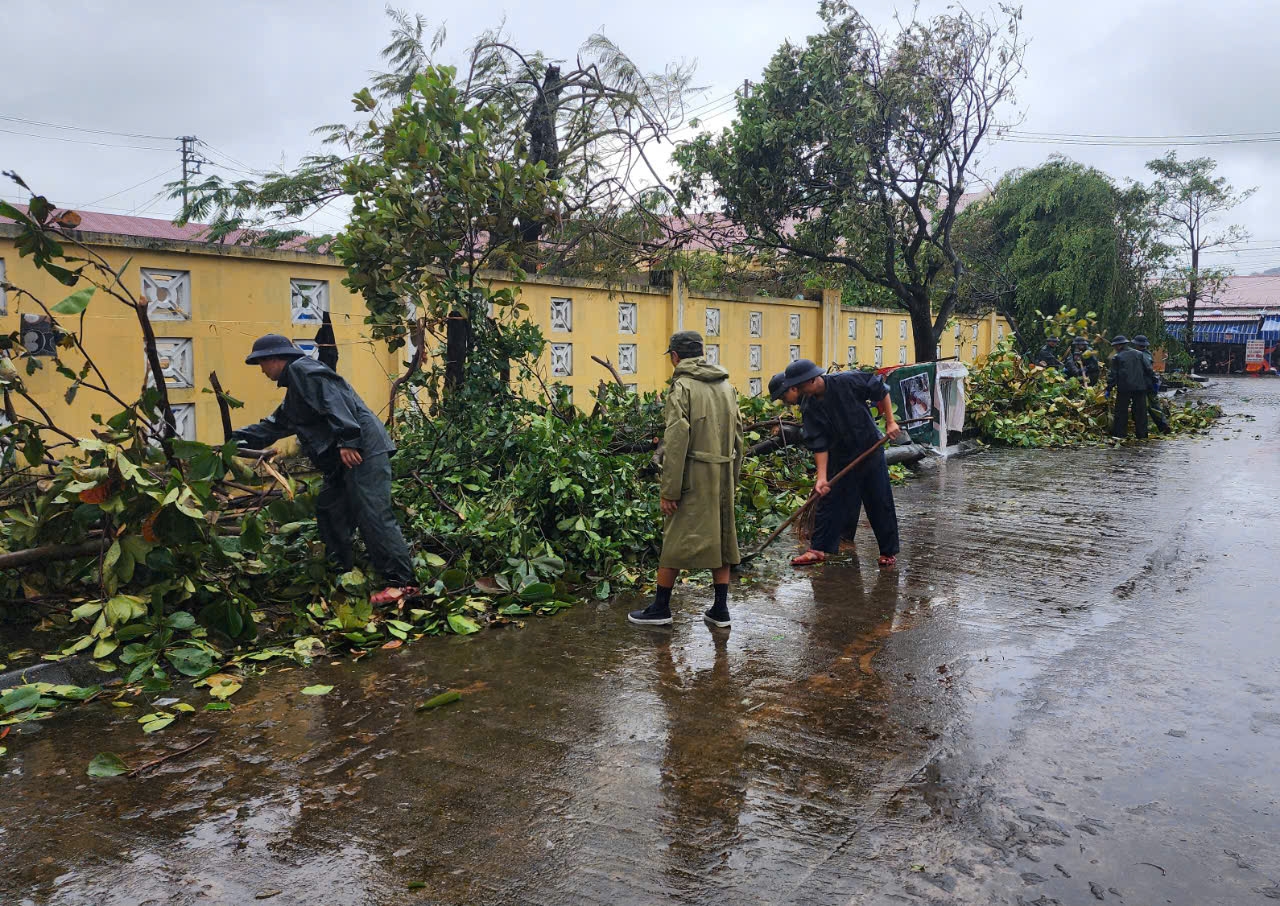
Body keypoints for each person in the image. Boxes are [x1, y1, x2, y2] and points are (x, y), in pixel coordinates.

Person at [232, 334, 417, 605]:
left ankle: (403, 584)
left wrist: (348, 440)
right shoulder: (296, 392)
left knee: (373, 513)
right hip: (343, 460)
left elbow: (334, 399)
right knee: (330, 510)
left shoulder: (302, 370)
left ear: (274, 359)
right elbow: (274, 426)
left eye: (261, 363)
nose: (261, 370)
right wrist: (231, 440)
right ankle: (341, 572)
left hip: (361, 451)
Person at [629, 331, 744, 628]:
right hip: (722, 474)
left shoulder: (682, 387)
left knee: (675, 539)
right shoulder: (726, 386)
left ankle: (661, 607)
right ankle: (720, 610)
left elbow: (677, 441)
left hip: (693, 474)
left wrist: (670, 490)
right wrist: (733, 478)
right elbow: (739, 439)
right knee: (722, 540)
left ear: (675, 357)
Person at [777, 359, 903, 569]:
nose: (797, 391)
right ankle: (817, 549)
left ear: (811, 380)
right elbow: (819, 443)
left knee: (879, 500)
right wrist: (822, 477)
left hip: (869, 449)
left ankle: (887, 552)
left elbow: (880, 389)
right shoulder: (809, 405)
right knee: (829, 500)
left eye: (799, 386)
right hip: (840, 456)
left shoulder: (847, 380)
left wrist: (890, 421)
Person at [1106, 335, 1157, 439]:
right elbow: (1149, 369)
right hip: (1140, 388)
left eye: (1115, 346)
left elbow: (1113, 375)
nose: (1114, 348)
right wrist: (1154, 381)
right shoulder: (1139, 354)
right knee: (1141, 412)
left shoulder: (1117, 357)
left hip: (1124, 388)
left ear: (1119, 346)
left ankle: (1120, 435)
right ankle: (1142, 435)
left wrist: (1109, 388)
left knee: (1121, 412)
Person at [1131, 335, 1170, 433]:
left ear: (1137, 345)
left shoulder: (1142, 355)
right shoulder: (1147, 354)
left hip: (1145, 385)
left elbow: (1148, 370)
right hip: (1148, 384)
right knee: (1153, 406)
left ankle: (1163, 426)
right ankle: (1163, 426)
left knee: (1150, 407)